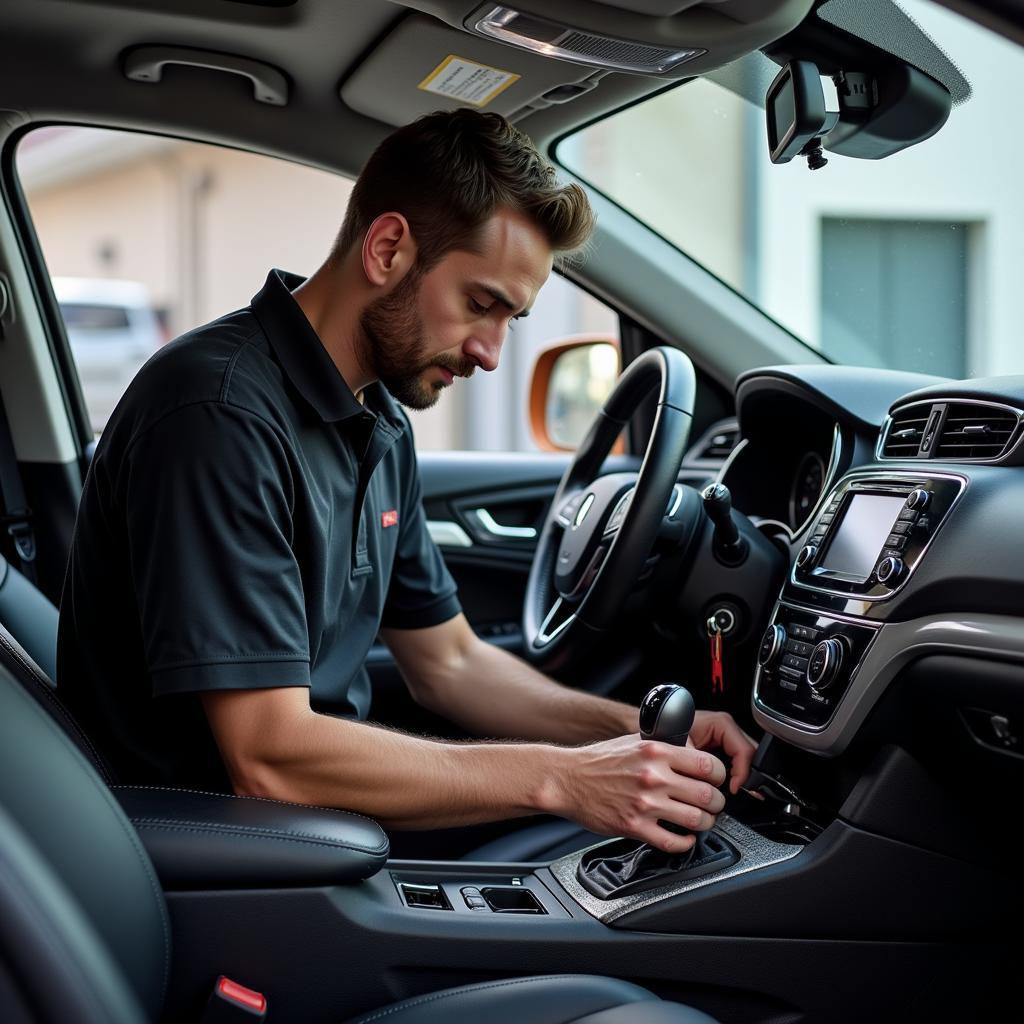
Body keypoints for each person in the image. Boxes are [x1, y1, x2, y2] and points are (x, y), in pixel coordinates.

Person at [57, 108, 755, 857]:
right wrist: (565, 779)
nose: (490, 353)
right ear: (387, 249)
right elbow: (268, 756)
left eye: (510, 320)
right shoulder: (218, 415)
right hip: (219, 860)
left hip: (314, 828)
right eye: (480, 304)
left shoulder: (377, 418)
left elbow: (448, 663)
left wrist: (635, 735)